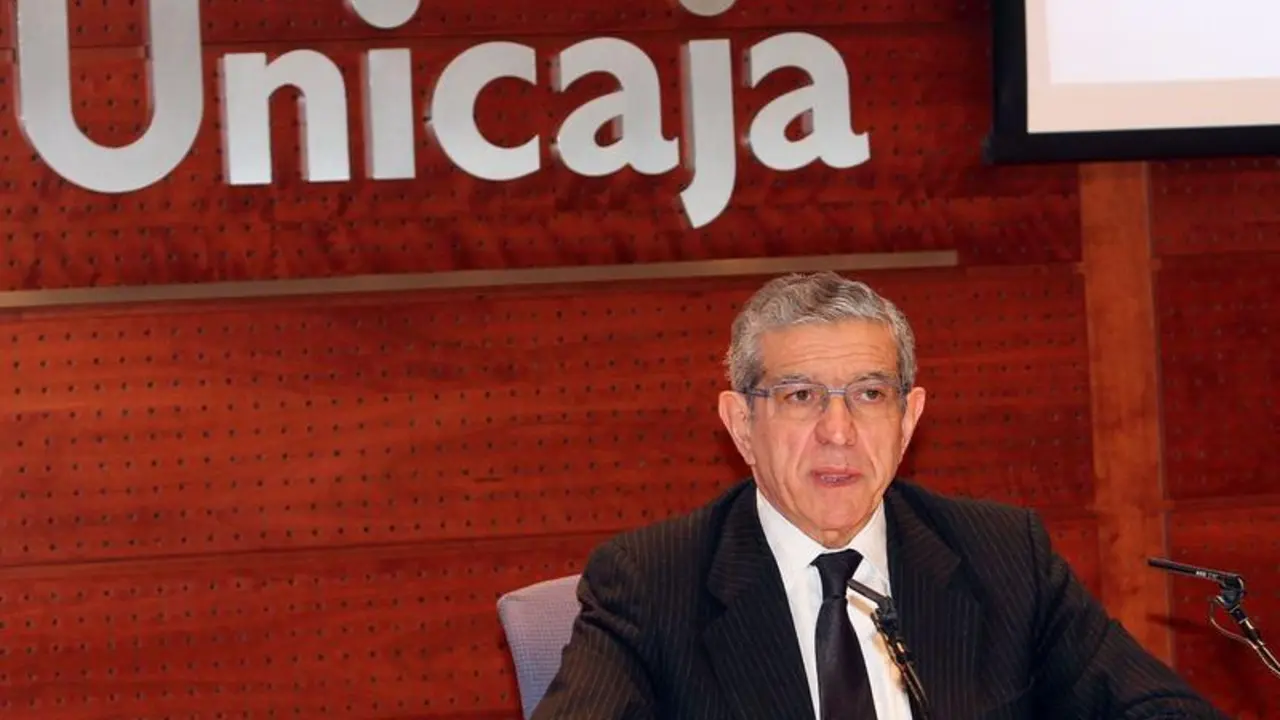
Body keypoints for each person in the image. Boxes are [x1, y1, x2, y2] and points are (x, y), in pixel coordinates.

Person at [532, 272, 1228, 719]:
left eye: (869, 395)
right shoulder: (652, 582)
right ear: (742, 425)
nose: (838, 432)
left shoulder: (1004, 557)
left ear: (909, 419)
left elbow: (1159, 710)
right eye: (800, 396)